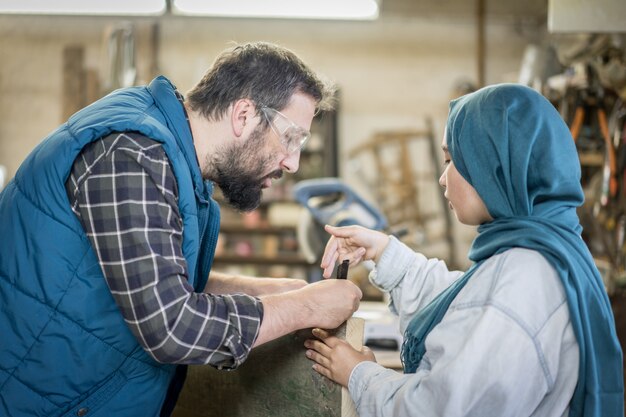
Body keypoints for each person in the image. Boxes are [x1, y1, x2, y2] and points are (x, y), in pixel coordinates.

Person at [0, 42, 362, 417]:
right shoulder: (132, 155)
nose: (293, 162)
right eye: (290, 138)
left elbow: (160, 278)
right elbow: (172, 327)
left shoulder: (175, 164)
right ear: (243, 115)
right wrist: (306, 308)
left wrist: (282, 292)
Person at [304, 83, 624, 416]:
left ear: (492, 166)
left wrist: (359, 375)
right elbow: (465, 307)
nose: (443, 178)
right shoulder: (544, 251)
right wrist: (385, 251)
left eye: (452, 159)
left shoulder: (523, 276)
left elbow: (440, 408)